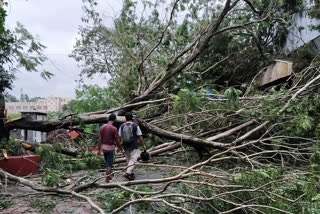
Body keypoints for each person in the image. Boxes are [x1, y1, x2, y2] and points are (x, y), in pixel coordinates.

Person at [119, 112, 147, 180]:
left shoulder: (122, 126)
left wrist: (120, 146)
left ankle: (130, 174)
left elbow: (119, 136)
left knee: (128, 160)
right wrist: (143, 145)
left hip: (125, 145)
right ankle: (128, 172)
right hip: (133, 145)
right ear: (132, 118)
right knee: (133, 160)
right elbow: (140, 136)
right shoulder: (135, 125)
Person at [98, 114, 124, 183]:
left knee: (107, 163)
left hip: (104, 148)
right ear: (114, 120)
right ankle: (107, 180)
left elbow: (100, 139)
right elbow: (117, 140)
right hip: (110, 149)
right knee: (109, 164)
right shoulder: (114, 128)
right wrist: (121, 148)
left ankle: (109, 177)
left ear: (108, 119)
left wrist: (98, 149)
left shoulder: (102, 127)